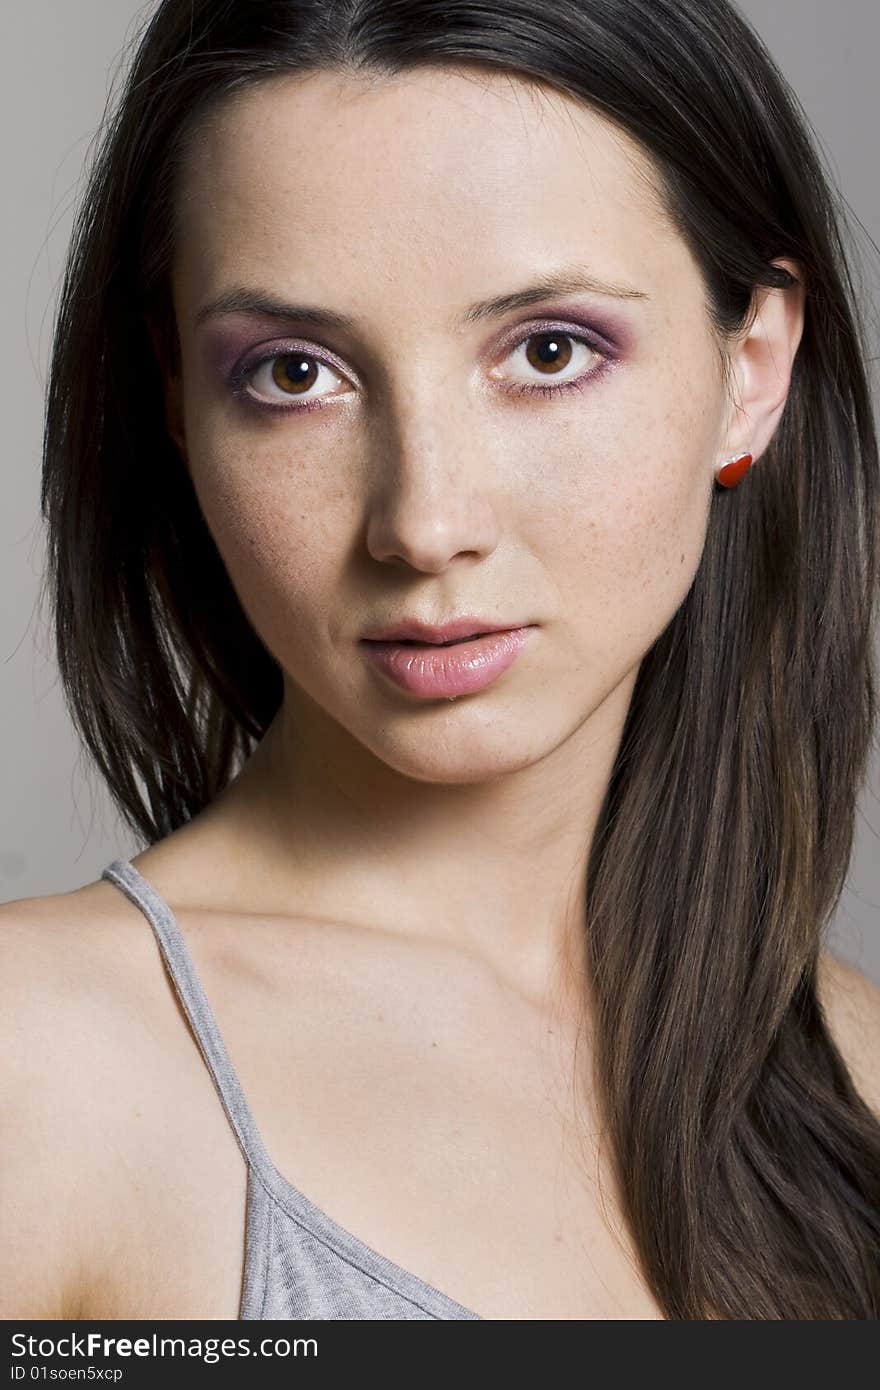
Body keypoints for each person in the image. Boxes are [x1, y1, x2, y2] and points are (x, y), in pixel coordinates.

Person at [2, 0, 879, 1321]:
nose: (424, 522)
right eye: (293, 373)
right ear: (177, 398)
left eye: (548, 350)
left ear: (749, 367)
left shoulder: (859, 1067)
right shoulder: (47, 1069)